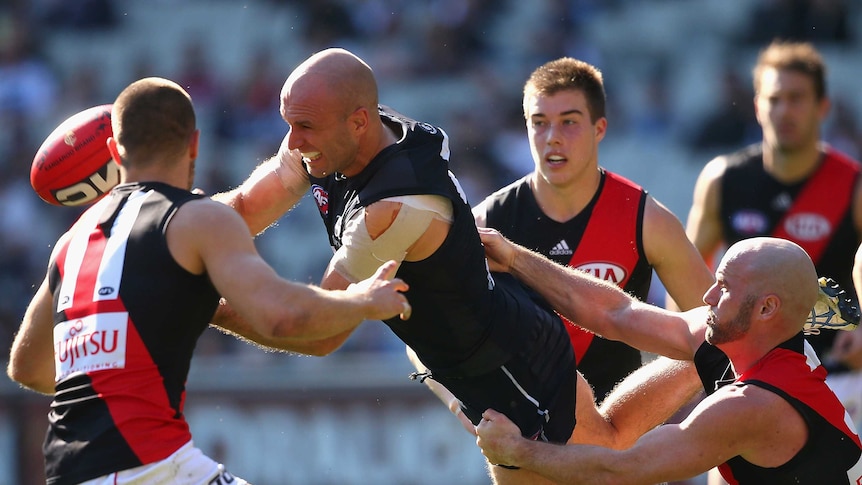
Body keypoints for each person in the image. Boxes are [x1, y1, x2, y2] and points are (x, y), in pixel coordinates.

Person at [214, 47, 600, 484]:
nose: (293, 140)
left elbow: (320, 328)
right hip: (468, 351)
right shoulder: (337, 132)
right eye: (289, 123)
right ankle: (691, 356)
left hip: (510, 374)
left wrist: (203, 306)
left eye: (303, 126)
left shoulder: (393, 208)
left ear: (359, 121)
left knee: (620, 465)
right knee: (618, 450)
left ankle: (691, 357)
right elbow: (244, 207)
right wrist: (166, 230)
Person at [6, 77, 411, 485]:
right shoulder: (193, 218)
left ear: (114, 152)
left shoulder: (70, 243)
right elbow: (281, 317)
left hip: (69, 473)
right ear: (194, 145)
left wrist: (115, 355)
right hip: (148, 468)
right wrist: (362, 299)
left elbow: (28, 367)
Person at [474, 232, 862, 484]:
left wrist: (515, 450)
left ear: (766, 310)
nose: (708, 297)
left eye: (724, 288)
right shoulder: (743, 338)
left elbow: (623, 471)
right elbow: (618, 314)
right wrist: (513, 258)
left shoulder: (755, 405)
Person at [685, 40, 862, 439]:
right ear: (757, 105)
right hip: (740, 381)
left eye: (797, 98)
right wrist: (694, 368)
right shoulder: (722, 180)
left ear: (823, 108)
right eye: (774, 98)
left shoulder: (854, 188)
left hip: (835, 383)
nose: (784, 110)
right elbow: (688, 282)